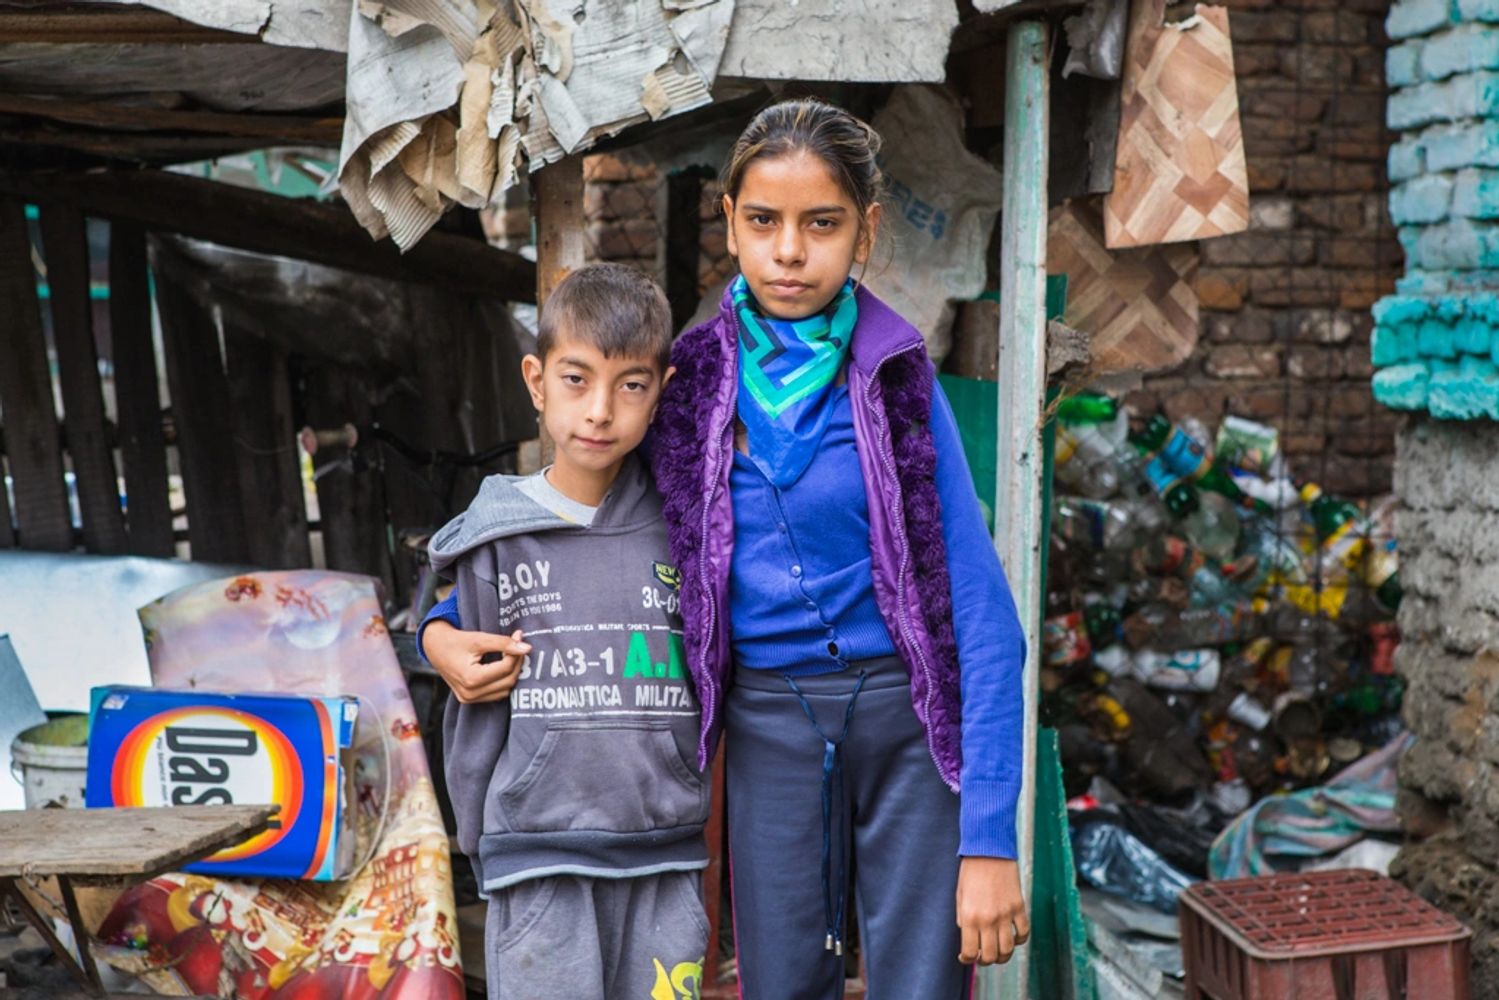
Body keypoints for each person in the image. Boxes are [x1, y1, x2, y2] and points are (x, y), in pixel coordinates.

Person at [647, 97, 1029, 999]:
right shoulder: (689, 386)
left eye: (821, 224)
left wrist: (987, 839)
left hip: (906, 727)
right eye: (763, 221)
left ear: (864, 233)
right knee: (780, 983)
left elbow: (983, 619)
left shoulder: (894, 377)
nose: (789, 250)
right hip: (769, 729)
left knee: (921, 981)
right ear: (729, 223)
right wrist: (445, 621)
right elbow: (588, 516)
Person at [422, 263, 709, 1000]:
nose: (600, 410)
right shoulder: (492, 536)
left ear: (662, 391)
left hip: (663, 855)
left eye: (631, 385)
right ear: (536, 380)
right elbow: (446, 628)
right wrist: (434, 637)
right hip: (538, 854)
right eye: (576, 379)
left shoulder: (690, 531)